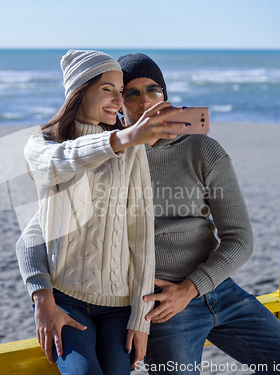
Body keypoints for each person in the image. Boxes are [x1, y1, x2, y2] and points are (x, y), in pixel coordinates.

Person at [16, 52, 280, 375]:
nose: (143, 101)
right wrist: (42, 297)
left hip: (219, 289)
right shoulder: (110, 156)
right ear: (119, 105)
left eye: (153, 90)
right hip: (160, 305)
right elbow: (43, 222)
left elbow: (239, 238)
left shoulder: (203, 150)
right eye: (130, 93)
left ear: (166, 96)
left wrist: (191, 287)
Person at [21, 49, 186, 375]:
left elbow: (140, 238)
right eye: (108, 89)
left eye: (119, 90)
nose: (117, 99)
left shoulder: (130, 150)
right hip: (65, 300)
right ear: (79, 92)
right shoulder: (41, 144)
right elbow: (65, 159)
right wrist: (42, 300)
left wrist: (141, 321)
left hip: (119, 308)